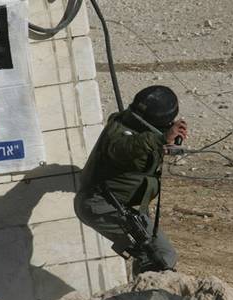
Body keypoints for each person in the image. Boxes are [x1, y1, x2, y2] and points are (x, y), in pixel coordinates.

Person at [74, 85, 188, 275]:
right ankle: (145, 295)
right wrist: (160, 138)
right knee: (156, 258)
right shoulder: (120, 135)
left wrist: (163, 143)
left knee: (161, 254)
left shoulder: (132, 125)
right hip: (101, 206)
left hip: (122, 206)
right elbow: (124, 148)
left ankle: (143, 290)